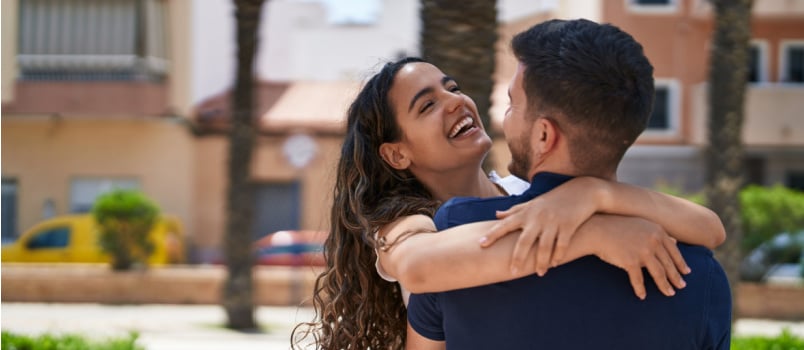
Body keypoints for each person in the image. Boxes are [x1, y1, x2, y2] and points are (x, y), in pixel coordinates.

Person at [291, 54, 725, 349]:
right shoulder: (405, 225)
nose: (456, 101)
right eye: (427, 106)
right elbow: (420, 268)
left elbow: (710, 229)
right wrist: (594, 233)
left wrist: (596, 192)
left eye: (452, 88)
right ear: (397, 154)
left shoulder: (536, 191)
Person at [405, 19, 732, 349]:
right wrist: (597, 197)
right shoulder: (698, 275)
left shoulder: (458, 231)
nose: (506, 119)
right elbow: (713, 230)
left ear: (544, 135)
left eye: (513, 104)